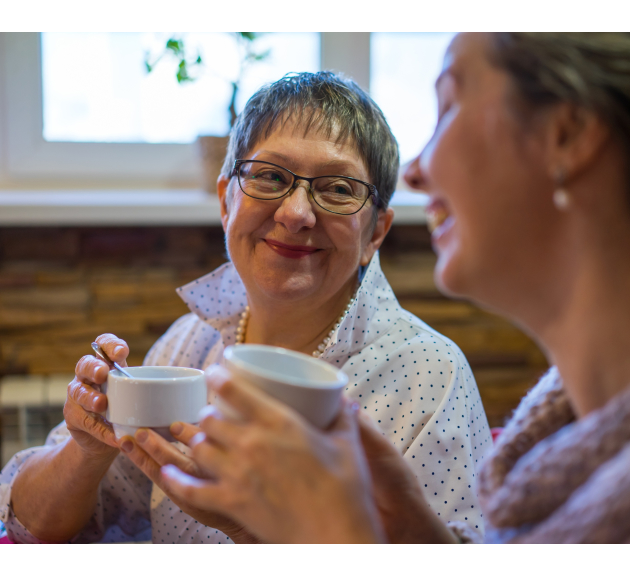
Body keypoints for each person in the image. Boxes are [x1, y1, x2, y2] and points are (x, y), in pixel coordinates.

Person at [157, 32, 630, 543]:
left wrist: (333, 537)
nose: (418, 169)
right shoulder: (565, 417)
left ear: (568, 136)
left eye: (449, 105)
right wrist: (415, 532)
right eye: (268, 177)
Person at [0, 71, 492, 543]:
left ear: (375, 233)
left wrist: (249, 529)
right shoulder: (189, 344)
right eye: (270, 177)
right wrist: (85, 449)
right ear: (224, 203)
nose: (297, 214)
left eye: (338, 189)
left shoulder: (429, 376)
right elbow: (30, 527)